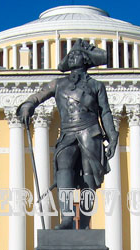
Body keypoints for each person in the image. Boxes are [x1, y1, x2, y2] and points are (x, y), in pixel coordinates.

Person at [16, 39, 118, 230]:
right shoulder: (58, 84)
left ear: (86, 60)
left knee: (89, 179)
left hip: (90, 132)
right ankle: (68, 218)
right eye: (69, 55)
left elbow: (105, 112)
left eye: (76, 54)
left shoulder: (96, 86)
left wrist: (112, 136)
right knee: (63, 169)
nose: (71, 57)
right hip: (68, 133)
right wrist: (28, 105)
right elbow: (39, 95)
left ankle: (85, 223)